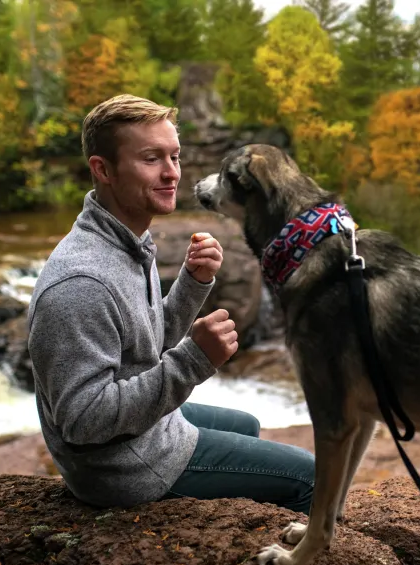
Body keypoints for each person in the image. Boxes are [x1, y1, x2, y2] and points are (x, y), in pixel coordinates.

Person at [27, 94, 314, 514]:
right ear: (102, 170)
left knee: (248, 426)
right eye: (151, 159)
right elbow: (84, 421)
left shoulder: (126, 241)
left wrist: (193, 283)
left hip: (134, 438)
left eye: (174, 157)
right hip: (122, 468)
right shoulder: (80, 283)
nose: (172, 173)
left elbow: (144, 346)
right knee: (310, 476)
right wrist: (193, 361)